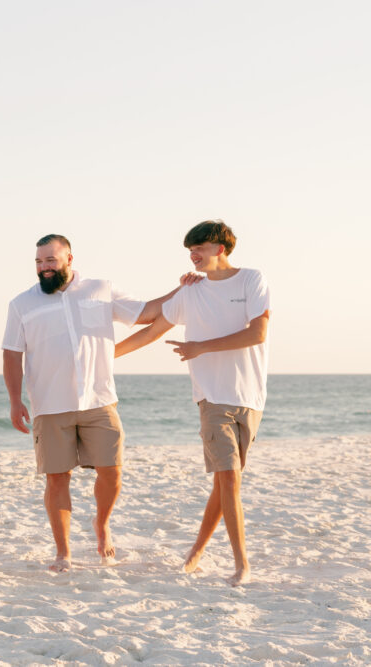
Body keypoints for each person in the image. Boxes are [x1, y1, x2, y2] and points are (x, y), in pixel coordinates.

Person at [2, 234, 190, 572]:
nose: (44, 268)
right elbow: (12, 354)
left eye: (51, 260)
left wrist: (182, 290)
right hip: (49, 404)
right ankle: (63, 552)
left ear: (69, 259)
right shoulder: (21, 304)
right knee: (56, 479)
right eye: (39, 262)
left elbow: (146, 313)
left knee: (112, 472)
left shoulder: (100, 290)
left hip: (99, 399)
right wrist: (15, 401)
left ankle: (101, 523)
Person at [114, 220, 269, 586]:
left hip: (251, 396)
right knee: (228, 478)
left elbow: (258, 332)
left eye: (199, 248)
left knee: (225, 483)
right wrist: (104, 359)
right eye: (189, 250)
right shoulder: (189, 293)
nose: (192, 255)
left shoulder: (251, 280)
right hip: (212, 397)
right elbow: (151, 331)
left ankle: (196, 552)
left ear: (221, 248)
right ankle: (241, 564)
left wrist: (199, 347)